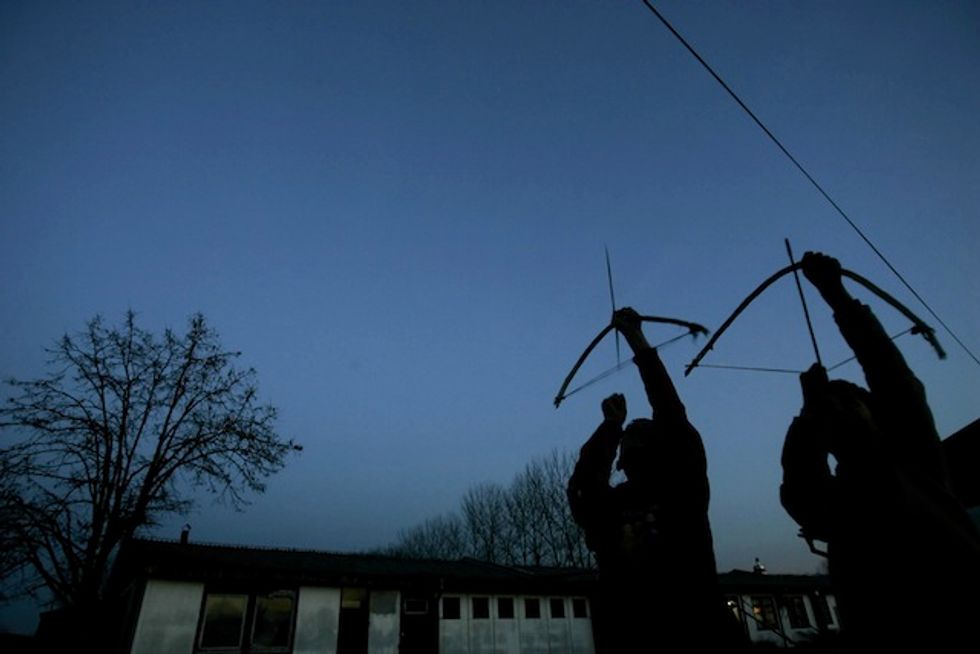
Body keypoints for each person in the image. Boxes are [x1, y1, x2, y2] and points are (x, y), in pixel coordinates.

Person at [780, 252, 980, 651]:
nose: (841, 410)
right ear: (827, 438)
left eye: (851, 401)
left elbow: (889, 372)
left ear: (876, 414)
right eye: (833, 412)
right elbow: (801, 487)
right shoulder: (837, 503)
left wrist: (835, 293)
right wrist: (810, 415)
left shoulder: (914, 459)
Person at [567, 307, 742, 651]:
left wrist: (637, 341)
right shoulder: (615, 503)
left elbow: (671, 413)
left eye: (637, 435)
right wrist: (610, 428)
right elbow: (585, 488)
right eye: (627, 439)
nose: (630, 436)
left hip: (694, 630)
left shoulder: (682, 489)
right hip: (632, 633)